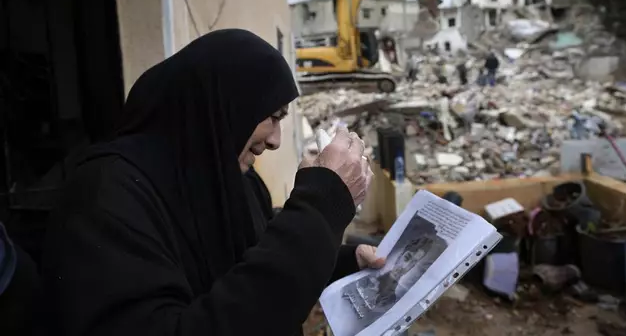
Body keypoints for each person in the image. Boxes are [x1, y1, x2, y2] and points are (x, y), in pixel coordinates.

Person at [39, 29, 384, 336]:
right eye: (272, 116)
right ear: (222, 107)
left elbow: (256, 270)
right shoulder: (104, 199)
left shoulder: (235, 183)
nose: (276, 139)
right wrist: (320, 207)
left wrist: (341, 261)